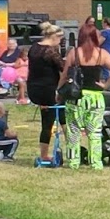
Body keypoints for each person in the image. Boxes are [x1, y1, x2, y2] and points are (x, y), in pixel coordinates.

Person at [63, 24, 110, 170]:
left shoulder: (74, 53)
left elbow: (64, 75)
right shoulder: (102, 54)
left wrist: (59, 90)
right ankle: (96, 163)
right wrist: (105, 85)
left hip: (76, 97)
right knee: (94, 133)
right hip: (95, 97)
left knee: (73, 131)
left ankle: (73, 162)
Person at [27, 23, 68, 166]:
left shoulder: (34, 48)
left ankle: (44, 154)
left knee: (47, 122)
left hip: (34, 89)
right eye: (60, 38)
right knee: (62, 118)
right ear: (54, 37)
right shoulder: (50, 51)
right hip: (49, 89)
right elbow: (64, 68)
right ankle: (72, 150)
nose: (60, 41)